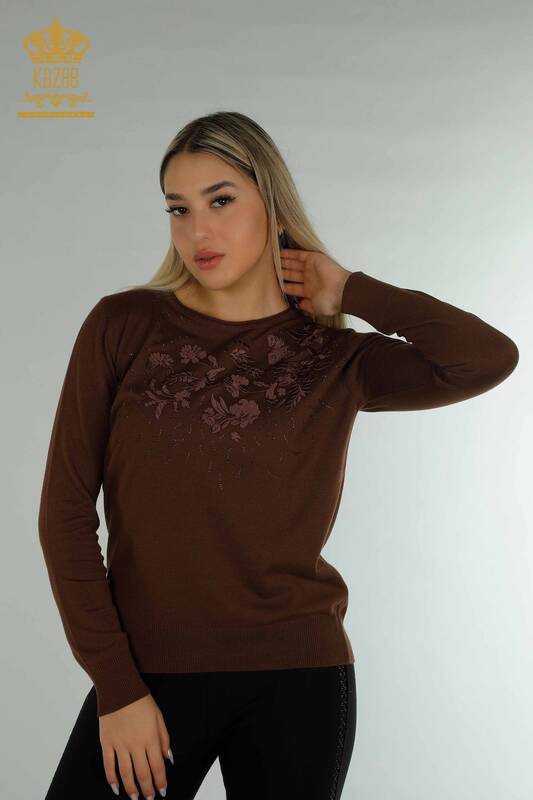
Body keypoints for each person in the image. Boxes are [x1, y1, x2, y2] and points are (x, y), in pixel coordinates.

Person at [38, 111, 519, 800]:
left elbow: (485, 358)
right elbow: (63, 515)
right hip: (146, 674)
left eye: (220, 200)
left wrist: (351, 291)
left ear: (271, 200)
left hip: (298, 679)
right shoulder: (124, 325)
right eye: (178, 209)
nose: (197, 231)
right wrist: (116, 688)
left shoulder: (334, 357)